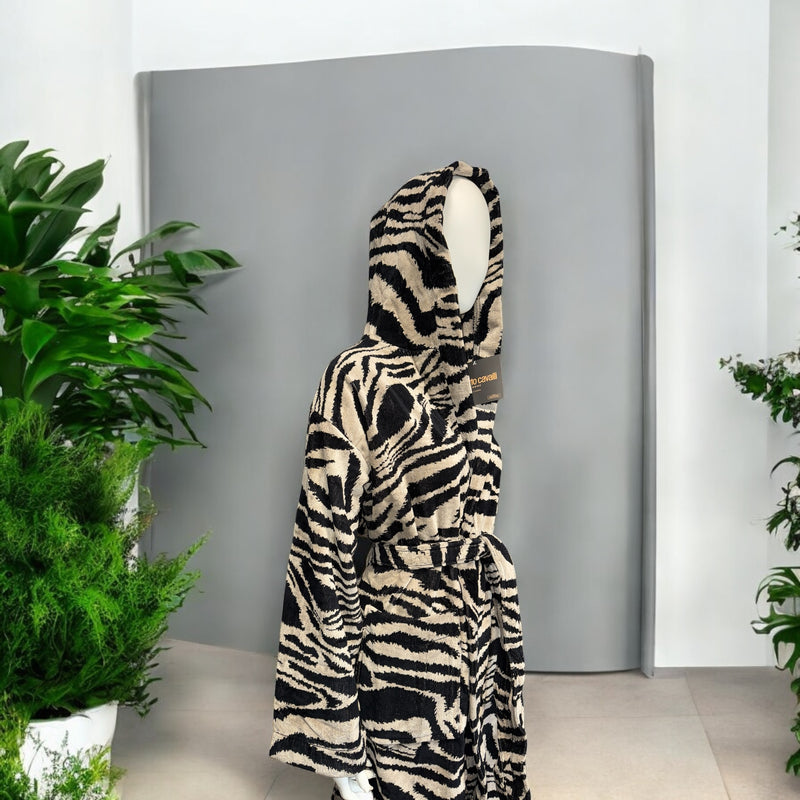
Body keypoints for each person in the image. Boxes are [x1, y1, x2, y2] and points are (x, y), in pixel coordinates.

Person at [269, 161, 531, 800]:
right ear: (413, 257)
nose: (471, 267)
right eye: (452, 242)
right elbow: (320, 560)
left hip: (474, 650)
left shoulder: (474, 381)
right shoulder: (353, 379)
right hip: (396, 669)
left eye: (482, 244)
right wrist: (341, 747)